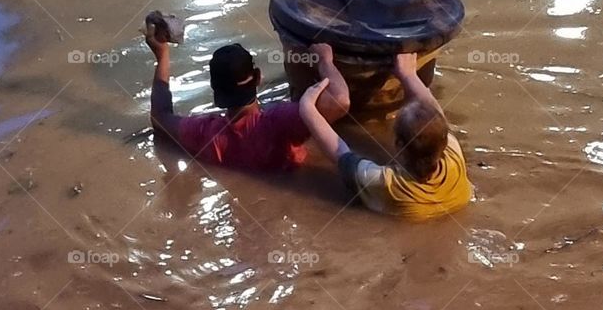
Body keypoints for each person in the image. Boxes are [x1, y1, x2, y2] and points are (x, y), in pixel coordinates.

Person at [299, 51, 472, 219]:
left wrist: (307, 107)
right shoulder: (454, 154)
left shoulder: (384, 183)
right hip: (448, 210)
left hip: (406, 214)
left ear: (397, 143)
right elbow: (436, 114)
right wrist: (409, 74)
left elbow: (340, 154)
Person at [144, 29, 350, 170]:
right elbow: (340, 101)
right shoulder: (279, 121)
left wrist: (162, 55)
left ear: (214, 89)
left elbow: (160, 117)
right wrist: (325, 61)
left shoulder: (205, 132)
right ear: (259, 77)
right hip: (294, 185)